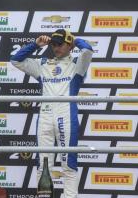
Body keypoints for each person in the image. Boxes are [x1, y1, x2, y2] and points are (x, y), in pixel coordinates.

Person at [11, 29, 93, 198]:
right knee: (43, 164)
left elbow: (87, 50)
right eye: (53, 44)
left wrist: (74, 39)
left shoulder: (78, 64)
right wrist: (35, 44)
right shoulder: (42, 64)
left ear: (69, 45)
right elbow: (15, 60)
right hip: (45, 116)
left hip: (67, 115)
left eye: (60, 44)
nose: (56, 47)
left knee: (68, 164)